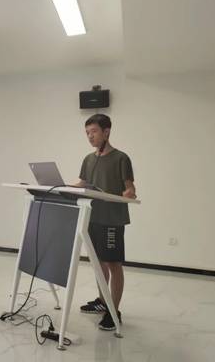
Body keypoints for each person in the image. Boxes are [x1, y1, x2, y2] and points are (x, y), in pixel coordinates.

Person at [76, 114, 136, 331]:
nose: (90, 136)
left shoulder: (121, 158)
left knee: (113, 264)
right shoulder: (88, 159)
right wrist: (62, 187)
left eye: (93, 131)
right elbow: (83, 184)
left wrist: (128, 193)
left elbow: (130, 189)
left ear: (106, 131)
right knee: (98, 262)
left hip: (112, 219)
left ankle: (114, 311)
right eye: (87, 133)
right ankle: (103, 301)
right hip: (92, 217)